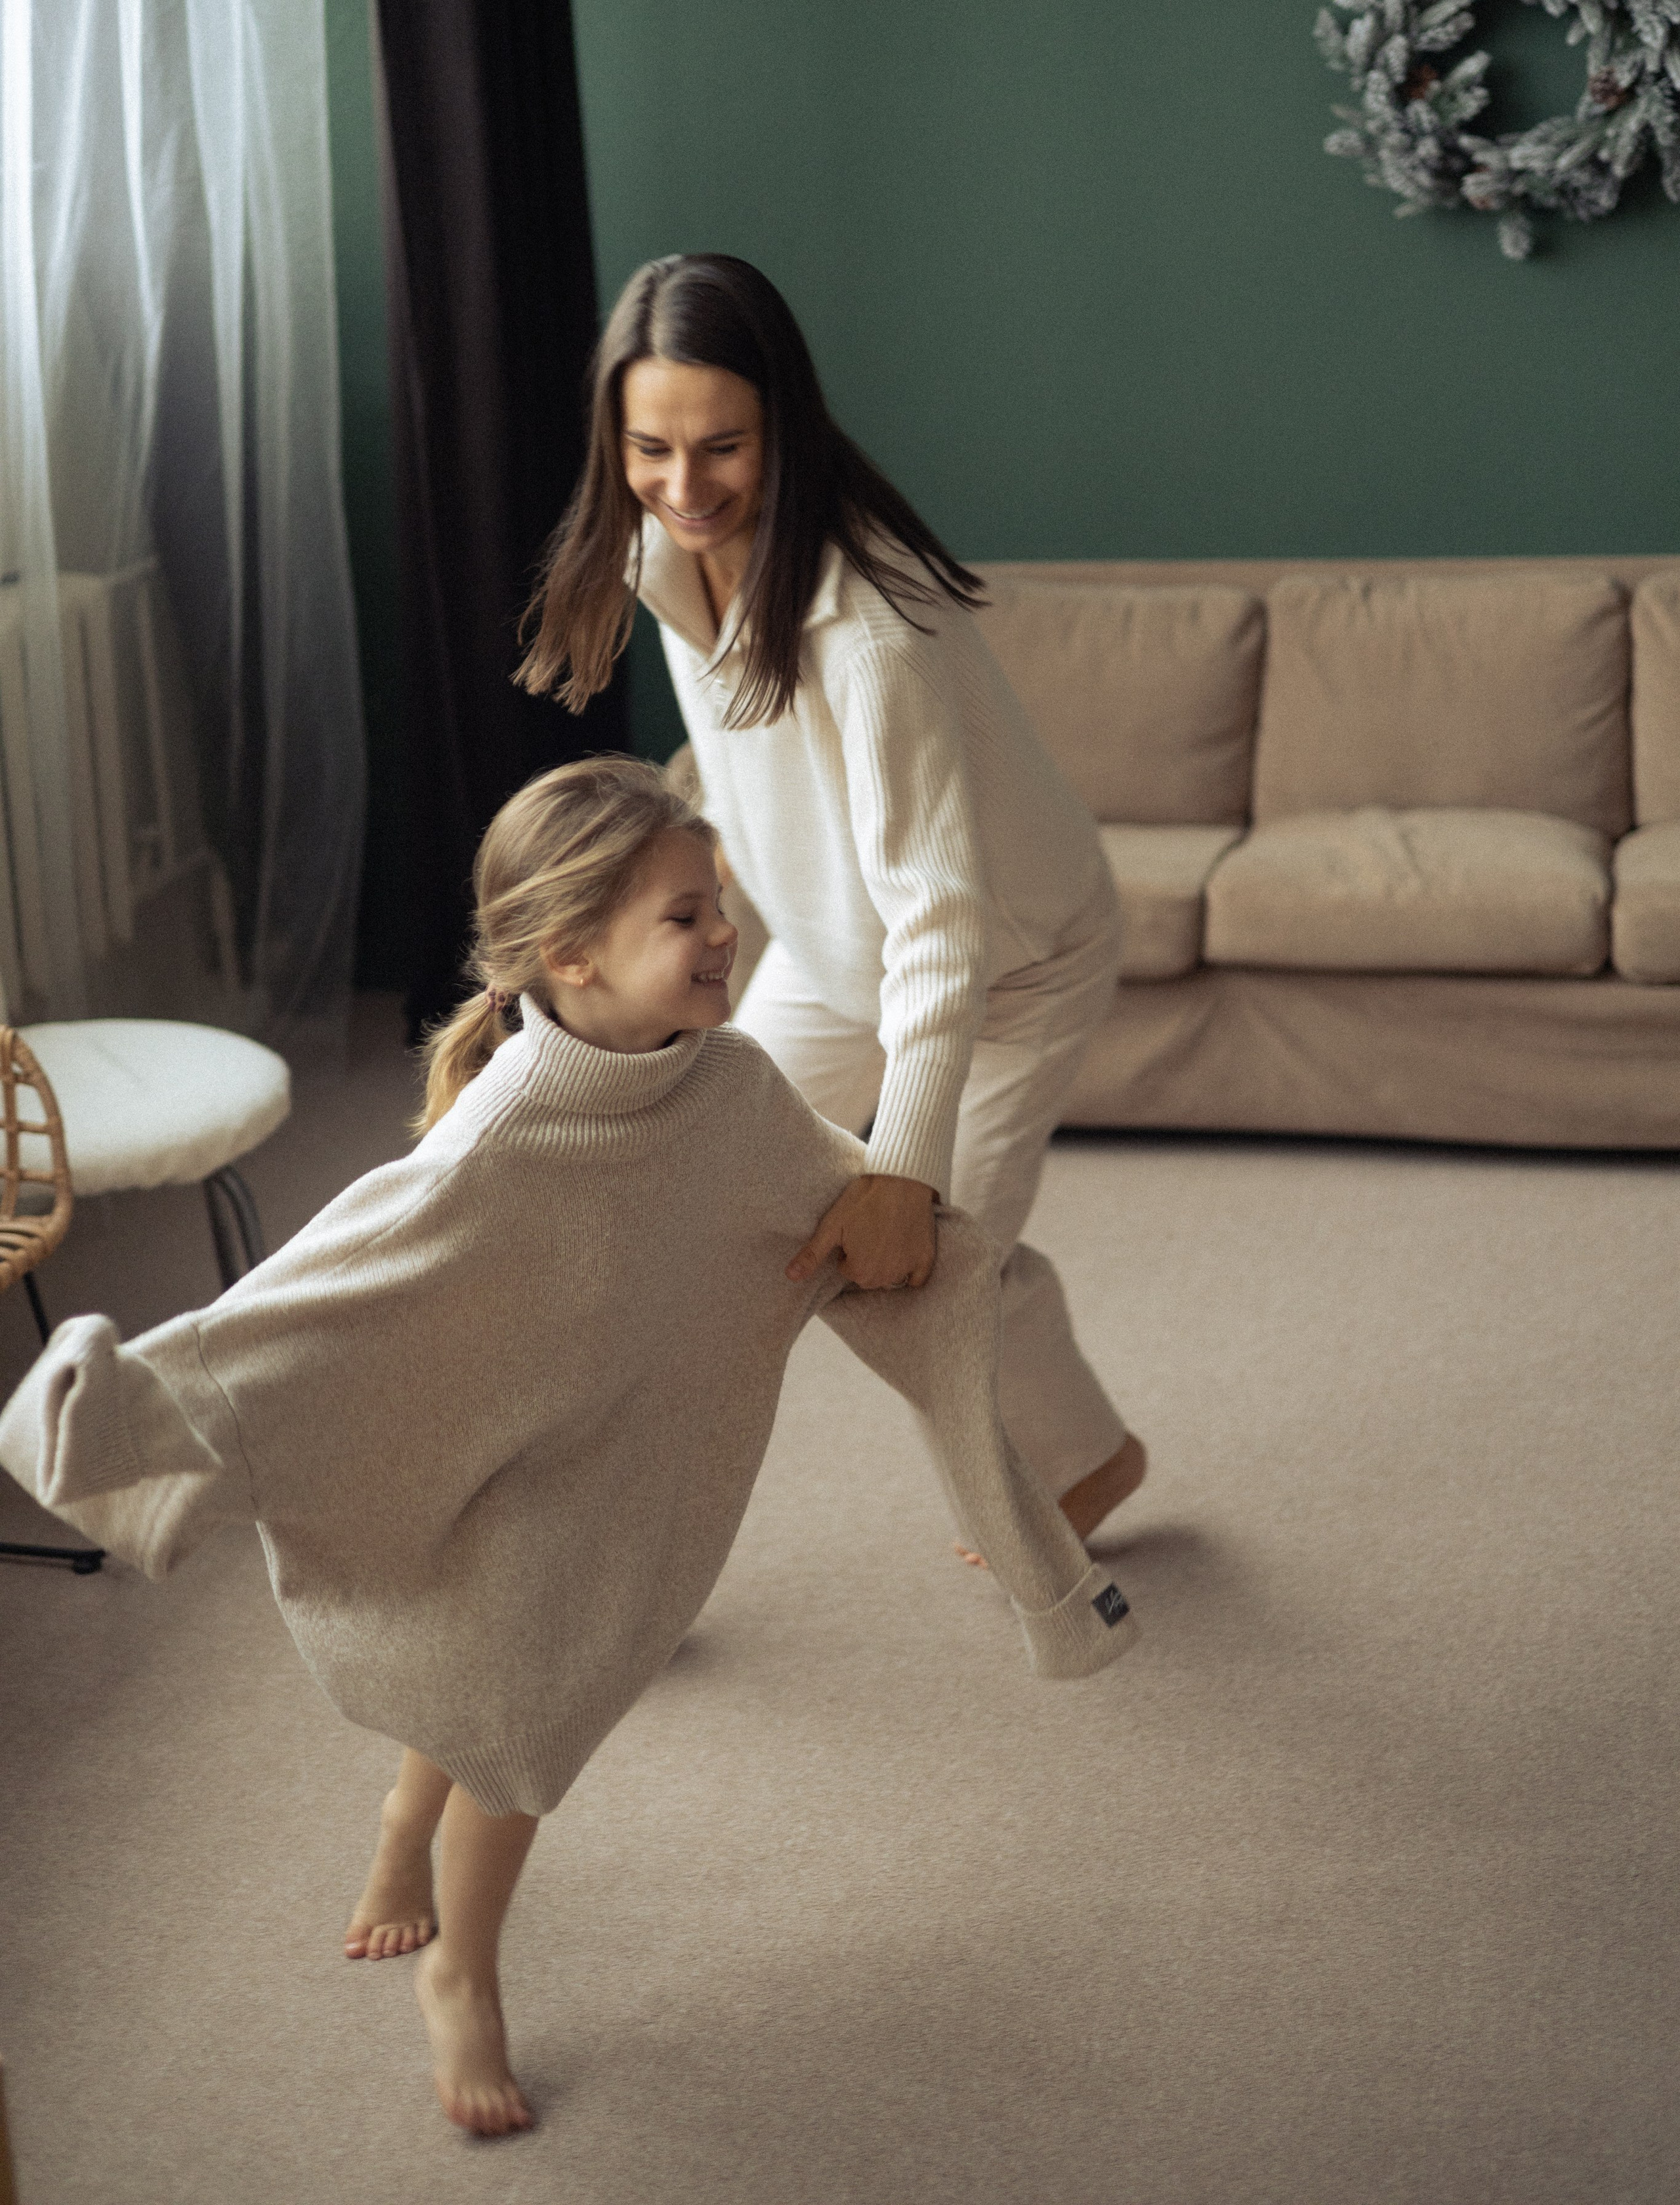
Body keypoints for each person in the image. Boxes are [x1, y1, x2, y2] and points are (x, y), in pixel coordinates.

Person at [0, 758, 1135, 2141]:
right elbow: (326, 1291)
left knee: (488, 1685)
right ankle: (462, 1978)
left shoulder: (732, 1084)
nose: (722, 934)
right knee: (519, 1718)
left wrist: (925, 1242)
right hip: (495, 1462)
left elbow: (838, 1202)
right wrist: (135, 1406)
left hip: (636, 1473)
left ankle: (399, 1835)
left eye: (716, 905)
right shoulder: (503, 1132)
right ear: (570, 958)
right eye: (682, 918)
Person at [520, 255, 1146, 1554]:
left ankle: (1081, 1460)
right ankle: (609, 1526)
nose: (683, 487)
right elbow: (748, 759)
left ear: (782, 429)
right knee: (699, 1206)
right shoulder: (656, 551)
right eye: (650, 448)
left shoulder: (870, 624)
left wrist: (902, 1171)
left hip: (1006, 964)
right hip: (824, 949)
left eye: (722, 448)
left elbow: (940, 919)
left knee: (925, 1265)